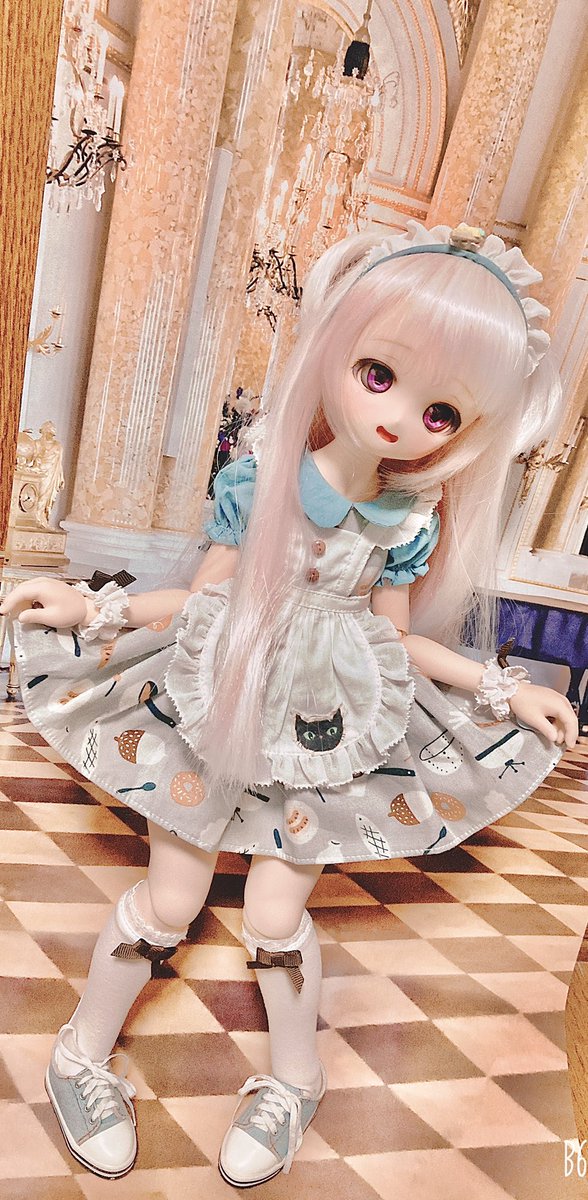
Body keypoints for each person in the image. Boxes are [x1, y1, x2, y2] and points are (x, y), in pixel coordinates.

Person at [1, 220, 578, 1187]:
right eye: (378, 374)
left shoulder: (407, 521)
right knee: (171, 899)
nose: (397, 418)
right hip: (220, 695)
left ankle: (295, 1078)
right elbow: (206, 596)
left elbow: (396, 639)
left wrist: (501, 687)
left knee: (274, 918)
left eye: (442, 412)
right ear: (334, 351)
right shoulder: (262, 478)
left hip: (327, 720)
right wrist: (93, 609)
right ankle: (80, 1052)